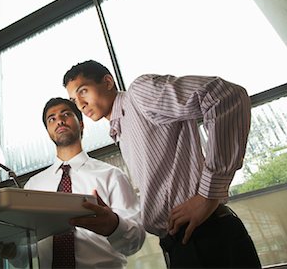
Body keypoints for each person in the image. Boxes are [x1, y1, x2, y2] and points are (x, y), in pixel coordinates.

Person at [63, 60, 262, 268]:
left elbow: (225, 96)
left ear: (107, 81)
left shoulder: (138, 95)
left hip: (206, 237)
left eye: (83, 91)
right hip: (180, 244)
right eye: (74, 99)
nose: (80, 104)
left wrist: (208, 194)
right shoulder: (121, 130)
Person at [0, 97, 145, 268]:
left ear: (81, 124)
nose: (59, 120)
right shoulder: (33, 186)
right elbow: (32, 252)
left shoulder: (111, 175)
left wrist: (114, 226)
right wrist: (14, 253)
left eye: (66, 114)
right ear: (48, 131)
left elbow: (135, 242)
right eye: (51, 119)